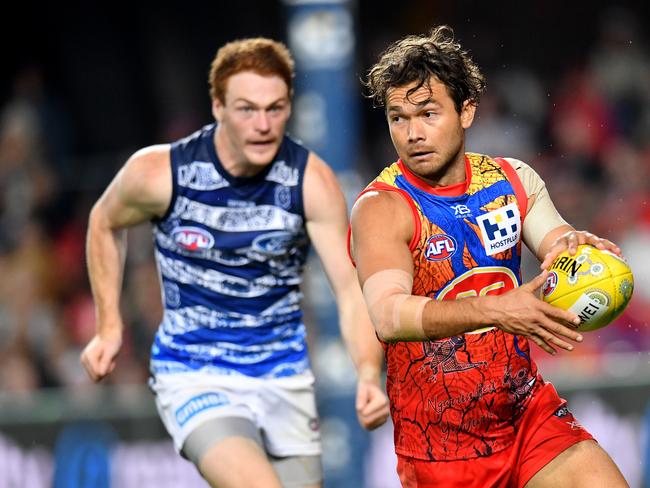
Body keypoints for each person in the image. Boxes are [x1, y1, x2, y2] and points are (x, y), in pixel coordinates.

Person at [80, 37, 389, 488]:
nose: (263, 124)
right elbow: (103, 223)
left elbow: (348, 287)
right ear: (218, 107)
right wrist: (109, 325)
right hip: (195, 375)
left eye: (275, 108)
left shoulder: (310, 181)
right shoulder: (161, 173)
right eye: (247, 109)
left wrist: (366, 373)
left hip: (285, 381)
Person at [349, 25, 628, 488]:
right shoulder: (381, 208)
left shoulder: (512, 179)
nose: (413, 133)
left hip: (528, 415)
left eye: (428, 113)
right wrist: (499, 309)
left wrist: (572, 248)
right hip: (442, 452)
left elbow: (554, 239)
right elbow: (388, 315)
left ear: (467, 111)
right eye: (398, 118)